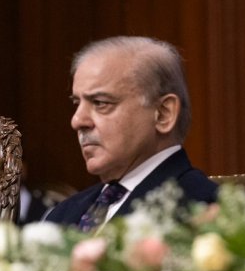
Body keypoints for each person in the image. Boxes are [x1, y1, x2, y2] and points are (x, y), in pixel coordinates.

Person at [46, 36, 217, 229]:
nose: (77, 121)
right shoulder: (61, 215)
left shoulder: (204, 212)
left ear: (163, 114)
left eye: (101, 103)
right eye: (77, 104)